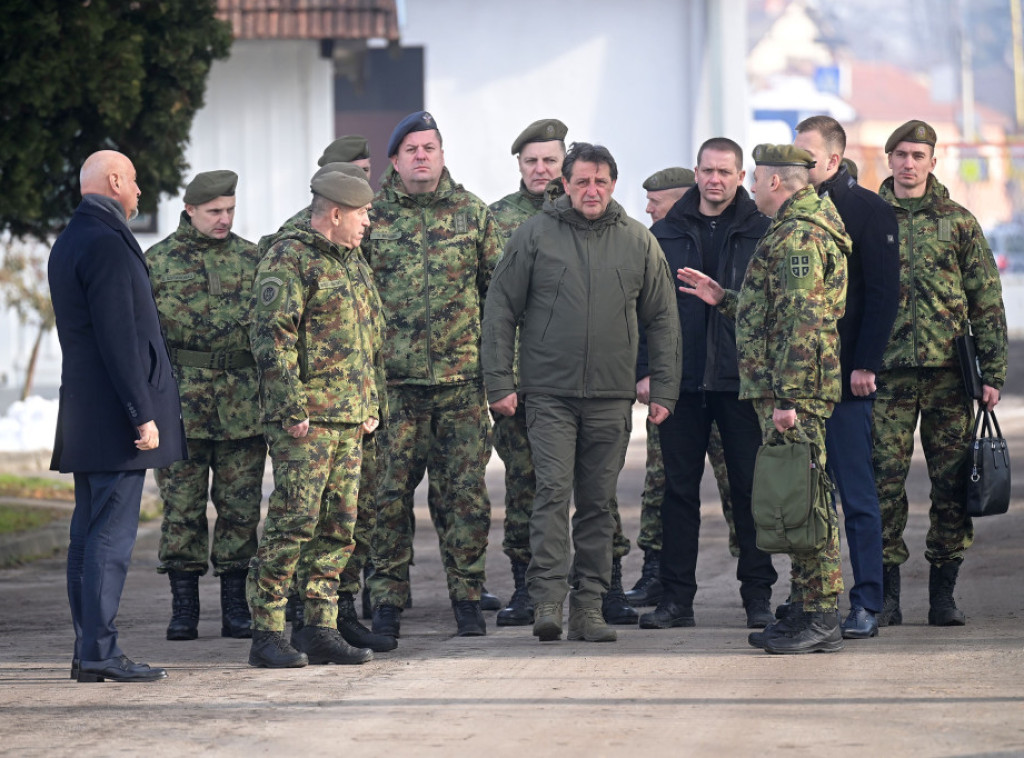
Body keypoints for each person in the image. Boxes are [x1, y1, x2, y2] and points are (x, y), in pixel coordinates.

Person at [483, 142, 681, 643]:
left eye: (601, 181)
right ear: (565, 185)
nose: (592, 190)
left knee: (598, 503)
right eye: (582, 182)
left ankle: (589, 607)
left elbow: (662, 319)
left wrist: (664, 387)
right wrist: (499, 383)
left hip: (611, 397)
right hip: (549, 393)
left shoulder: (638, 241)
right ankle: (548, 602)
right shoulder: (534, 234)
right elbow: (500, 308)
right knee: (552, 493)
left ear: (613, 184)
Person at [679, 143, 849, 654]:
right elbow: (774, 313)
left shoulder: (799, 236)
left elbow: (803, 320)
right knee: (792, 496)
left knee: (805, 498)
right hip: (789, 388)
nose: (750, 188)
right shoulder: (792, 228)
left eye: (754, 178)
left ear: (776, 182)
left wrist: (787, 397)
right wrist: (724, 298)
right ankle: (804, 605)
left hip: (796, 394)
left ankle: (821, 613)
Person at [49, 150, 187, 682]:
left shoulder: (73, 237)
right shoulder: (106, 241)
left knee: (87, 536)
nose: (138, 190)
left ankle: (89, 650)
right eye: (133, 180)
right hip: (114, 419)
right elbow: (118, 337)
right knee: (108, 539)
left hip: (88, 413)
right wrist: (141, 413)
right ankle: (100, 651)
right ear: (113, 181)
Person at [363, 111, 502, 640]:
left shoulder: (472, 215)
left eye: (430, 148)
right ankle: (386, 602)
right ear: (394, 160)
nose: (421, 156)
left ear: (442, 155)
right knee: (386, 499)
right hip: (392, 389)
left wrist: (502, 376)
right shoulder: (371, 216)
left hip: (460, 387)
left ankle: (467, 596)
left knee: (464, 497)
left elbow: (499, 298)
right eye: (411, 149)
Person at [246, 169, 385, 668]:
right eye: (362, 213)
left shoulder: (351, 261)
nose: (368, 222)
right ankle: (267, 632)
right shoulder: (289, 258)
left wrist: (370, 405)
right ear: (336, 213)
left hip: (349, 418)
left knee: (338, 526)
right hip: (306, 423)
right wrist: (290, 408)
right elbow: (271, 337)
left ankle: (318, 627)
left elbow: (369, 338)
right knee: (293, 523)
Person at [638, 139, 777, 631]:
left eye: (724, 172)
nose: (715, 180)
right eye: (707, 171)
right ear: (695, 174)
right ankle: (676, 600)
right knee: (677, 493)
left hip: (741, 383)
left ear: (740, 177)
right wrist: (646, 370)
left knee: (750, 491)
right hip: (681, 383)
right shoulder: (664, 233)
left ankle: (757, 596)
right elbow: (643, 307)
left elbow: (775, 308)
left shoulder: (762, 231)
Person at [873, 120, 1007, 627]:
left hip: (949, 376)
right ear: (889, 159)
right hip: (885, 376)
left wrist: (992, 373)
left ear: (933, 161)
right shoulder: (867, 219)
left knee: (952, 486)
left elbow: (986, 299)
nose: (909, 163)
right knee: (882, 484)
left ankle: (943, 595)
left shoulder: (958, 222)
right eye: (901, 154)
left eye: (918, 155)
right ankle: (886, 595)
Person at [146, 170, 266, 642]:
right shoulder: (158, 262)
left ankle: (236, 606)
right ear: (189, 209)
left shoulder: (253, 259)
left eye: (230, 210)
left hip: (243, 405)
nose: (224, 219)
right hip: (181, 406)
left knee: (241, 509)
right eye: (214, 211)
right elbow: (144, 339)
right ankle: (184, 607)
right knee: (182, 509)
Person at [793, 115, 899, 639]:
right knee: (803, 496)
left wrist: (866, 364)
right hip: (800, 382)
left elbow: (882, 294)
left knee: (856, 496)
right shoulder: (793, 212)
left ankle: (867, 603)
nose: (797, 164)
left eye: (807, 157)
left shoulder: (866, 210)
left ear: (834, 159)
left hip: (844, 380)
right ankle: (810, 600)